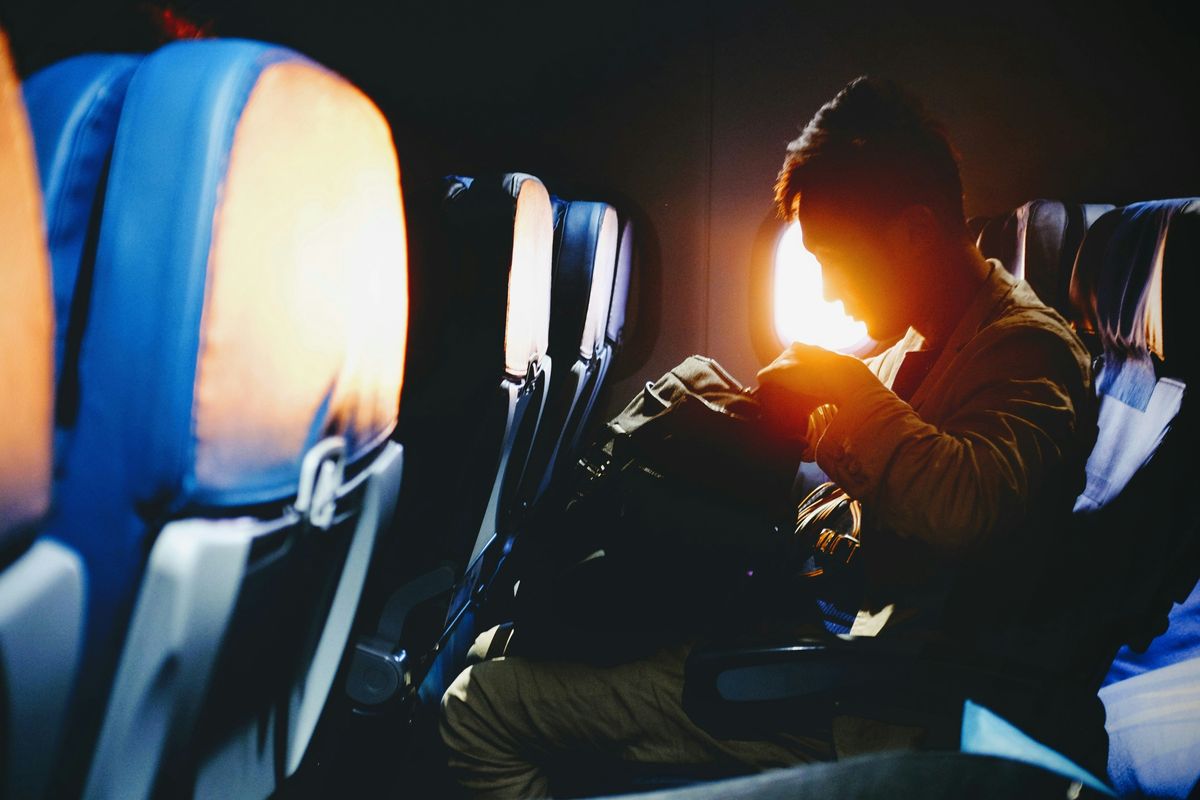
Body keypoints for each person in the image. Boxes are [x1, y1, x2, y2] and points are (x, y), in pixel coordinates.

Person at [438, 75, 1097, 799]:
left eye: (836, 260)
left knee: (479, 707)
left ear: (913, 232)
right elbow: (877, 467)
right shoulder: (924, 341)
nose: (833, 290)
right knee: (509, 641)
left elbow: (963, 505)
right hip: (811, 633)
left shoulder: (1028, 351)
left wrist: (841, 383)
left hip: (867, 696)